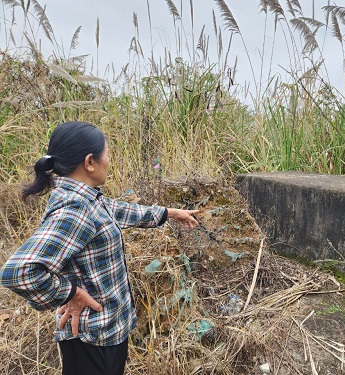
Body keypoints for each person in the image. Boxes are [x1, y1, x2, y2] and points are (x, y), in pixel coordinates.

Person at [0, 121, 199, 375]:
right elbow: (17, 273)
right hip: (91, 341)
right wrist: (71, 294)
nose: (109, 161)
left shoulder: (87, 198)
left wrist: (169, 213)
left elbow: (118, 211)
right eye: (107, 155)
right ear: (90, 162)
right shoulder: (75, 209)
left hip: (106, 334)